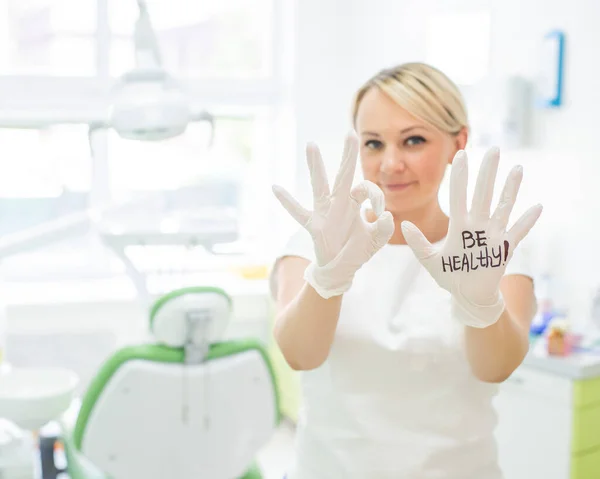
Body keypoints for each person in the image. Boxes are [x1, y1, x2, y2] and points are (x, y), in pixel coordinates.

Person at [269, 62, 543, 479]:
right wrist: (328, 278)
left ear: (459, 143)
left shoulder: (490, 253)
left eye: (413, 140)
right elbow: (300, 355)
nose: (390, 164)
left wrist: (481, 304)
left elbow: (496, 368)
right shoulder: (315, 247)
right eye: (373, 143)